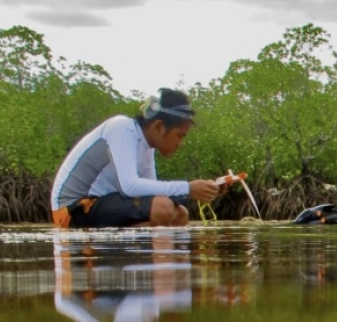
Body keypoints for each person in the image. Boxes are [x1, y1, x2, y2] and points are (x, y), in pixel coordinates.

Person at [50, 88, 220, 228]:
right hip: (71, 209)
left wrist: (206, 190)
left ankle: (151, 259)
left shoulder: (146, 147)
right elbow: (130, 186)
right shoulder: (122, 128)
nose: (180, 143)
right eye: (179, 135)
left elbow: (152, 195)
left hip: (100, 204)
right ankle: (151, 257)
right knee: (163, 208)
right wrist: (188, 188)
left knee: (180, 214)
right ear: (159, 126)